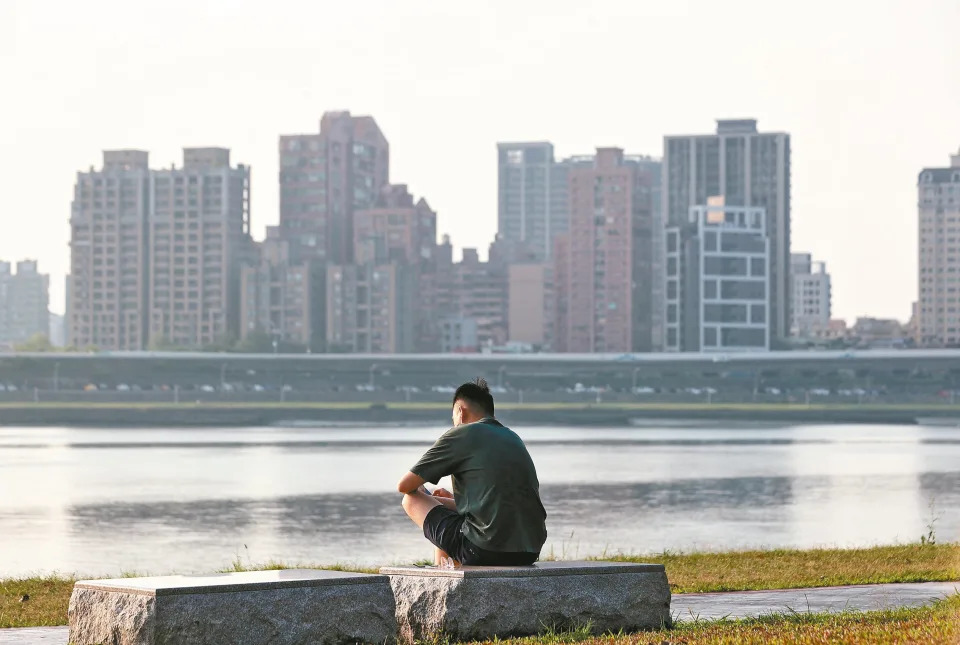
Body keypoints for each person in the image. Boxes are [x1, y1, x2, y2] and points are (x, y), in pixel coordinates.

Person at [397, 378, 547, 566]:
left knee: (411, 498)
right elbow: (499, 503)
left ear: (460, 411)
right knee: (447, 516)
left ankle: (442, 581)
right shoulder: (513, 437)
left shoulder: (462, 433)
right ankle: (444, 576)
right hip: (529, 551)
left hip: (485, 549)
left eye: (453, 417)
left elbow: (404, 486)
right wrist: (454, 502)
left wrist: (432, 499)